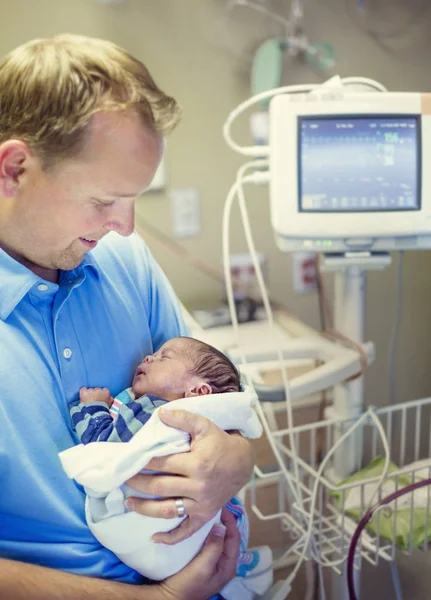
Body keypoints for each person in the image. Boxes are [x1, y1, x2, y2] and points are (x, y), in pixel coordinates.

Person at [0, 34, 254, 600]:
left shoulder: (121, 260)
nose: (127, 227)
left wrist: (237, 459)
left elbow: (215, 388)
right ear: (14, 168)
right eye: (104, 200)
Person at [63, 335, 271, 599]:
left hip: (155, 539)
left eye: (164, 357)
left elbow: (103, 443)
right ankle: (241, 568)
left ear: (199, 391)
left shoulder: (155, 411)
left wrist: (92, 407)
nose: (148, 357)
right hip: (183, 547)